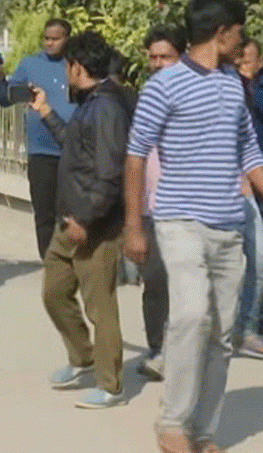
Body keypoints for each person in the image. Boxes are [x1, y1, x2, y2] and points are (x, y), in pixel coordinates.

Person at [124, 0, 263, 453]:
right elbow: (136, 154)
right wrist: (133, 226)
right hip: (180, 220)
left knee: (223, 334)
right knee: (189, 317)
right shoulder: (164, 86)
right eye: (238, 32)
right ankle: (172, 423)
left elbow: (248, 152)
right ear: (221, 33)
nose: (243, 42)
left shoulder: (231, 85)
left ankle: (202, 431)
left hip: (228, 226)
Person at [28, 31, 133, 409]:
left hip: (93, 225)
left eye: (68, 66)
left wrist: (87, 220)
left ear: (78, 67)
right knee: (54, 293)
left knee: (99, 306)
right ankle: (83, 356)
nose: (65, 74)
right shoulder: (91, 103)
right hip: (69, 220)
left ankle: (111, 385)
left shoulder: (107, 108)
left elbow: (110, 173)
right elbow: (74, 141)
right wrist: (45, 112)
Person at [0, 19, 77, 259]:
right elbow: (6, 98)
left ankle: (75, 260)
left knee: (72, 212)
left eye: (55, 38)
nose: (49, 43)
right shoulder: (30, 64)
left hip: (73, 150)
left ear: (67, 38)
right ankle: (50, 261)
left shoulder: (77, 64)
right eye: (46, 38)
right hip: (41, 152)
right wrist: (0, 77)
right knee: (44, 212)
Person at [135, 25, 187, 381]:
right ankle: (157, 350)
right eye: (152, 57)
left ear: (181, 57)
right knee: (155, 283)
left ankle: (186, 353)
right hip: (152, 207)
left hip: (189, 208)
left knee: (189, 285)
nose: (157, 64)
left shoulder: (197, 93)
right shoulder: (145, 95)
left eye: (164, 57)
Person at [236, 36, 263, 359]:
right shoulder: (225, 88)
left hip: (255, 180)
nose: (243, 65)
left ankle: (246, 327)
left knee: (258, 257)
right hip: (233, 186)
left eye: (249, 61)